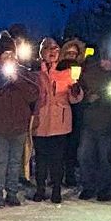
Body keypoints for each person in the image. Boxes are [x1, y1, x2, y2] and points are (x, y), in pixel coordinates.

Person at [0, 32, 40, 208]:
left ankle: (12, 193)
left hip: (18, 127)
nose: (10, 57)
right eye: (6, 54)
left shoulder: (23, 73)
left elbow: (33, 95)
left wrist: (17, 81)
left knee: (14, 163)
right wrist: (4, 82)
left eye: (12, 54)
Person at [76, 38, 111, 201]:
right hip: (90, 122)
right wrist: (86, 98)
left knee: (106, 158)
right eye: (104, 60)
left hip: (110, 123)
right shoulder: (90, 71)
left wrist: (102, 96)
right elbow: (80, 91)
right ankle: (88, 186)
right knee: (85, 155)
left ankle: (105, 187)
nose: (107, 63)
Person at [32, 37, 84, 204]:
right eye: (48, 48)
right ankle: (40, 189)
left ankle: (56, 190)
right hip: (40, 121)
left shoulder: (66, 71)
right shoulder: (34, 72)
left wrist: (76, 91)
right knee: (41, 158)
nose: (53, 51)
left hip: (60, 122)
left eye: (55, 48)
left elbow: (74, 99)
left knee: (57, 159)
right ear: (42, 52)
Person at [59, 38, 87, 187]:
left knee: (72, 145)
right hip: (60, 111)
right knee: (60, 145)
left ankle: (70, 175)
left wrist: (77, 88)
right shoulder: (58, 68)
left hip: (76, 112)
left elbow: (85, 89)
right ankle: (57, 175)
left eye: (74, 53)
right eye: (68, 53)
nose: (71, 56)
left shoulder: (82, 70)